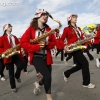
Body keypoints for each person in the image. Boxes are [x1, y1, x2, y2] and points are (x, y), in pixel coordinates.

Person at [20, 9, 56, 100]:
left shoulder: (49, 29)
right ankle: (49, 97)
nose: (46, 17)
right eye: (43, 15)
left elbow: (54, 42)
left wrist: (48, 44)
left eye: (47, 16)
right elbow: (23, 42)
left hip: (47, 56)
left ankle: (38, 85)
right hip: (36, 56)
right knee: (47, 76)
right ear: (38, 16)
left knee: (48, 77)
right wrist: (36, 47)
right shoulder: (31, 29)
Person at [59, 14, 95, 88]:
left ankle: (66, 73)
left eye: (76, 17)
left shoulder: (78, 28)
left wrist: (86, 42)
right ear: (69, 19)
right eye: (73, 17)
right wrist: (64, 46)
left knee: (79, 65)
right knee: (85, 62)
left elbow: (81, 38)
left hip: (79, 47)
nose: (75, 18)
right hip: (73, 48)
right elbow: (61, 40)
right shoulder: (66, 29)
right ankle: (86, 83)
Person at [0, 24, 24, 92]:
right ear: (6, 29)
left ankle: (17, 76)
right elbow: (0, 47)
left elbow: (18, 44)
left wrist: (21, 49)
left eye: (11, 27)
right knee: (11, 73)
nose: (11, 28)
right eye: (9, 27)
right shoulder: (2, 38)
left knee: (20, 66)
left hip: (15, 54)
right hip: (8, 56)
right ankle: (13, 87)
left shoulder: (14, 37)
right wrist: (4, 51)